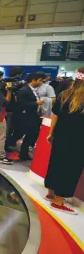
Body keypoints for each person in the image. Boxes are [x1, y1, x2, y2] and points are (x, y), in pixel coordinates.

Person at [44, 67, 84, 215]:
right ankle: (59, 201)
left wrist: (50, 133)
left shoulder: (64, 94)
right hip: (78, 140)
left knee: (55, 163)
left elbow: (55, 116)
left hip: (60, 136)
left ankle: (51, 193)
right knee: (69, 169)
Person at [9, 72, 46, 161]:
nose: (41, 83)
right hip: (25, 117)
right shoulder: (24, 90)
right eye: (40, 80)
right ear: (33, 80)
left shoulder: (32, 90)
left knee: (30, 135)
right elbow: (21, 104)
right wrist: (36, 103)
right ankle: (11, 148)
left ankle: (23, 153)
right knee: (20, 134)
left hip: (33, 117)